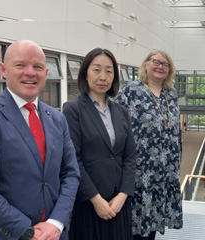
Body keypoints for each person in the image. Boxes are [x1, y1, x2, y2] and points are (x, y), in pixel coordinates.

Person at [0, 40, 80, 240]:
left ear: (45, 73)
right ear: (4, 70)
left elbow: (70, 173)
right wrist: (28, 231)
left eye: (37, 67)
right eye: (20, 65)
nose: (30, 72)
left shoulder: (57, 118)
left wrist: (56, 223)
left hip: (54, 235)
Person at [63, 48, 137, 240]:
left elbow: (129, 157)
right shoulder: (72, 110)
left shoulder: (122, 112)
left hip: (119, 202)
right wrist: (96, 199)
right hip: (89, 202)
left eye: (109, 71)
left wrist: (123, 195)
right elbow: (73, 159)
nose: (103, 76)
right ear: (85, 73)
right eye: (97, 70)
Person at [114, 50, 183, 240]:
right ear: (146, 65)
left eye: (165, 64)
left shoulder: (171, 94)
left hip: (164, 172)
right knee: (136, 225)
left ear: (169, 70)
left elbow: (176, 131)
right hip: (140, 171)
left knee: (154, 223)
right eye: (156, 62)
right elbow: (115, 124)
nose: (160, 66)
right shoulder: (131, 90)